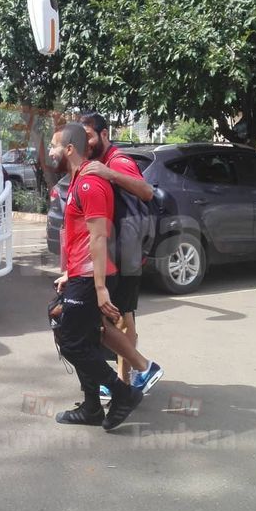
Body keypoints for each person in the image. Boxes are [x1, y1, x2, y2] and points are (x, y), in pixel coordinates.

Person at [49, 122, 143, 431]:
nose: (50, 152)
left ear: (69, 149)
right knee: (84, 338)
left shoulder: (90, 183)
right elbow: (78, 236)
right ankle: (91, 407)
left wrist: (100, 287)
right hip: (82, 274)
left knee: (71, 341)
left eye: (54, 146)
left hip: (92, 278)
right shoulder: (79, 179)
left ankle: (123, 393)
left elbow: (99, 237)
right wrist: (70, 272)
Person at [78, 113, 164, 397]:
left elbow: (147, 191)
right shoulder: (100, 161)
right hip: (120, 253)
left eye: (89, 136)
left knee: (119, 319)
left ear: (104, 134)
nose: (85, 143)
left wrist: (110, 174)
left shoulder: (118, 161)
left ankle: (125, 381)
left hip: (126, 254)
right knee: (124, 317)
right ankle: (127, 378)